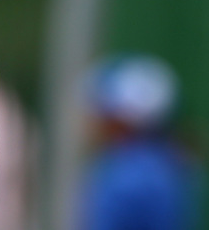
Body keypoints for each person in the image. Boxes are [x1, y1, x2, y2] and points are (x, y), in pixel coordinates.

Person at [77, 54, 202, 230]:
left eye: (101, 111)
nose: (92, 119)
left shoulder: (124, 179)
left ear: (120, 118)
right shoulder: (172, 165)